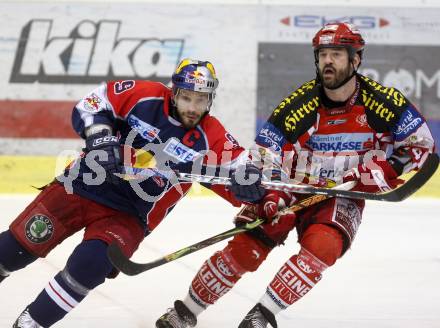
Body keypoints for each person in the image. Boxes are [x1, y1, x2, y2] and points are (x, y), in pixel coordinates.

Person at [156, 23, 436, 328]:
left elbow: (422, 143)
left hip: (344, 190)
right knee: (247, 246)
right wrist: (272, 194)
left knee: (324, 245)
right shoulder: (299, 104)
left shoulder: (383, 100)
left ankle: (261, 316)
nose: (328, 61)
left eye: (337, 55)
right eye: (323, 54)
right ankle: (185, 312)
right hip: (291, 185)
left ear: (356, 60)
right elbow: (264, 152)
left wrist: (386, 168)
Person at [0, 58, 266, 327]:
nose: (193, 108)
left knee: (90, 265)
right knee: (13, 250)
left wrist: (251, 184)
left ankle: (29, 323)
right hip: (81, 186)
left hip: (129, 215)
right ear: (173, 92)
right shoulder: (144, 96)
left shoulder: (212, 135)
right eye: (186, 97)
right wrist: (101, 140)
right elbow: (93, 104)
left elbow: (243, 168)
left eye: (201, 99)